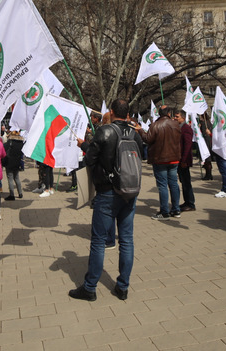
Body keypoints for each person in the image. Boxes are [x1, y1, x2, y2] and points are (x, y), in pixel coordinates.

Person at [69, 99, 142, 302]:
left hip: (108, 192)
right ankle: (122, 287)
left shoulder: (105, 131)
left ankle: (90, 287)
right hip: (129, 191)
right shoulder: (134, 133)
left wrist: (86, 147)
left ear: (111, 111)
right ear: (127, 114)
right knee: (126, 240)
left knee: (99, 241)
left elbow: (89, 159)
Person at [137, 105, 182, 220]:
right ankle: (176, 209)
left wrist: (140, 130)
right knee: (173, 184)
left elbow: (147, 139)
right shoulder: (175, 124)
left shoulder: (156, 125)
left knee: (163, 186)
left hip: (161, 159)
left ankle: (164, 212)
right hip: (174, 158)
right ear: (168, 113)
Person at [173, 109, 196, 212]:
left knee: (186, 182)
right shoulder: (179, 128)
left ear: (183, 117)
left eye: (177, 117)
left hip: (184, 161)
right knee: (183, 181)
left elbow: (187, 145)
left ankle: (190, 203)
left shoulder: (186, 129)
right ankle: (187, 201)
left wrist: (184, 160)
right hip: (180, 159)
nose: (175, 118)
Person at [3, 131, 25, 200]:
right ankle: (20, 193)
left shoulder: (10, 142)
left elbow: (4, 149)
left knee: (10, 179)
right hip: (17, 162)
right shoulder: (21, 143)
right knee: (17, 178)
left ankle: (12, 195)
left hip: (9, 162)